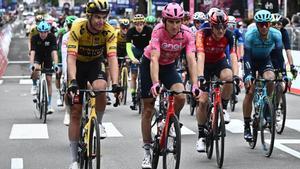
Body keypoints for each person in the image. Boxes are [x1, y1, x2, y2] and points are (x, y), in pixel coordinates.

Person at [140, 3, 199, 168]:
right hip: (150, 65)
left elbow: (191, 59)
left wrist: (195, 84)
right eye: (171, 22)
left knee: (180, 96)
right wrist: (155, 83)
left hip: (169, 67)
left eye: (178, 21)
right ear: (164, 21)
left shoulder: (187, 34)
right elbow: (154, 58)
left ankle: (170, 120)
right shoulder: (158, 31)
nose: (174, 25)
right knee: (148, 109)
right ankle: (146, 150)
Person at [66, 0, 122, 168]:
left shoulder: (109, 31)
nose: (101, 21)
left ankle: (99, 123)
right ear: (89, 16)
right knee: (75, 112)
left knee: (100, 88)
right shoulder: (78, 28)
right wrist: (73, 81)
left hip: (95, 64)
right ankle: (74, 160)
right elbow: (71, 57)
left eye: (104, 17)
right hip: (78, 65)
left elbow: (112, 58)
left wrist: (117, 83)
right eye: (97, 17)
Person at [195, 10, 239, 152]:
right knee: (202, 101)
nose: (221, 30)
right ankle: (201, 136)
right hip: (204, 64)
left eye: (224, 27)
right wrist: (200, 76)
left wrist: (237, 75)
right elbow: (200, 55)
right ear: (211, 26)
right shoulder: (202, 33)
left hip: (219, 61)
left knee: (229, 77)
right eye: (217, 27)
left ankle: (224, 108)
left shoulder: (229, 35)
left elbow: (233, 56)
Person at [242, 10, 283, 142]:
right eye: (261, 24)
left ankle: (267, 107)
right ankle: (247, 125)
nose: (264, 27)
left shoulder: (276, 34)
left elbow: (279, 55)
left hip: (265, 60)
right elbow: (246, 56)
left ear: (270, 23)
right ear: (257, 24)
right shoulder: (250, 35)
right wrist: (248, 74)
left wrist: (283, 72)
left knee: (271, 78)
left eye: (266, 24)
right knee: (250, 92)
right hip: (251, 62)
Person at [29, 21, 59, 114]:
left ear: (48, 31)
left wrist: (56, 64)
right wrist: (31, 64)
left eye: (45, 32)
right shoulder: (34, 38)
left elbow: (54, 52)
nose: (43, 34)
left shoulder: (52, 37)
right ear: (38, 32)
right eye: (41, 32)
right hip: (38, 57)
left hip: (47, 58)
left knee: (49, 80)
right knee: (36, 69)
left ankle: (49, 104)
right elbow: (32, 52)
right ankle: (34, 85)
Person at [126, 14, 153, 110]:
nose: (139, 27)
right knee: (134, 76)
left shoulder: (149, 30)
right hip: (136, 50)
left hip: (146, 49)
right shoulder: (130, 31)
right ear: (134, 25)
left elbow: (153, 43)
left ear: (144, 24)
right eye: (137, 24)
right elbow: (128, 48)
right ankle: (133, 96)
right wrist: (132, 58)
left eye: (141, 24)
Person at [60, 15, 79, 125]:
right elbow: (64, 55)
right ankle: (67, 112)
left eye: (73, 26)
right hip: (69, 62)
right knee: (69, 87)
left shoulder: (82, 34)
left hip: (81, 63)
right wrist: (65, 72)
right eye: (70, 26)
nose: (72, 28)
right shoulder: (66, 36)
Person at [271, 13, 298, 80]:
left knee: (283, 82)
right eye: (273, 24)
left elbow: (288, 50)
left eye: (278, 24)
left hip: (278, 58)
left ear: (282, 25)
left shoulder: (283, 32)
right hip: (266, 57)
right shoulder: (266, 32)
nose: (276, 26)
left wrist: (292, 66)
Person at [29, 14, 44, 95]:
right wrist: (30, 49)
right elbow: (30, 40)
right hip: (35, 48)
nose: (39, 23)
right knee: (34, 68)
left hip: (44, 49)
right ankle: (34, 84)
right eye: (38, 21)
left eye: (40, 21)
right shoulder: (33, 29)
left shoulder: (45, 28)